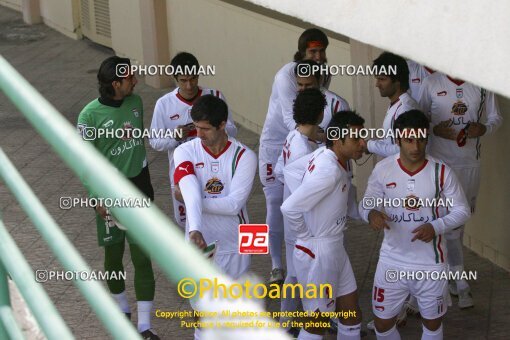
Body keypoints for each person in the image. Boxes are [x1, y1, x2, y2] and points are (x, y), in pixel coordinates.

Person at [359, 110, 470, 340]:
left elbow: (462, 210)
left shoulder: (441, 172)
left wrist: (436, 226)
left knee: (432, 326)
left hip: (431, 264)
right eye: (409, 140)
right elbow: (365, 203)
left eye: (421, 139)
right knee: (382, 324)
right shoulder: (383, 169)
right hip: (392, 260)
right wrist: (370, 214)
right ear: (398, 139)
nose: (416, 146)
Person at [77, 56, 159, 339]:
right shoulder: (88, 116)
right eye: (130, 78)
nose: (135, 81)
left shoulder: (135, 103)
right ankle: (122, 309)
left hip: (140, 192)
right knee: (113, 256)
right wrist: (95, 197)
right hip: (109, 195)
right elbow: (84, 161)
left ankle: (145, 327)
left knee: (142, 258)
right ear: (115, 84)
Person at [172, 95, 257, 340]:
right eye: (196, 127)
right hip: (199, 241)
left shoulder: (246, 156)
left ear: (222, 125)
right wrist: (194, 229)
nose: (198, 134)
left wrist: (194, 201)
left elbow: (233, 205)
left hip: (239, 240)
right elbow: (186, 187)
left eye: (205, 128)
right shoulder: (184, 150)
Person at [417, 73, 502, 308]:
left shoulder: (483, 84)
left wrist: (483, 129)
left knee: (458, 223)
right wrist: (434, 130)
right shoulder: (431, 83)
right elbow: (418, 119)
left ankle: (452, 277)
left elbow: (496, 118)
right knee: (448, 223)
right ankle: (458, 280)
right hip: (440, 165)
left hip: (469, 164)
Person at [259, 29, 335, 284]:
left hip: (306, 141)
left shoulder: (324, 74)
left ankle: (302, 261)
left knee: (303, 203)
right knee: (274, 205)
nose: (318, 56)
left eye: (321, 51)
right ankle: (276, 265)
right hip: (276, 145)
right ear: (301, 52)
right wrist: (325, 138)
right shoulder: (285, 76)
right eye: (313, 51)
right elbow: (293, 119)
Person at [281, 111, 365, 340]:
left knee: (351, 314)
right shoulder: (328, 171)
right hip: (319, 251)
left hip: (334, 247)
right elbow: (289, 208)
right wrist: (306, 235)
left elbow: (288, 170)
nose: (363, 143)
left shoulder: (324, 155)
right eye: (356, 138)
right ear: (338, 140)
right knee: (317, 322)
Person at [149, 52, 237, 229]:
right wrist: (174, 137)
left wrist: (213, 129)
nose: (189, 85)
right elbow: (154, 140)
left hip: (216, 169)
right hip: (183, 171)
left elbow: (232, 130)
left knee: (219, 216)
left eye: (193, 79)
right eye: (183, 80)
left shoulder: (215, 96)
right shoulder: (164, 104)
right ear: (175, 79)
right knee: (187, 223)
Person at [274, 88, 326, 335]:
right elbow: (307, 194)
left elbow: (277, 171)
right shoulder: (304, 150)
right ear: (320, 114)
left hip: (291, 221)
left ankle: (286, 323)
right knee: (304, 277)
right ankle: (305, 324)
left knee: (294, 275)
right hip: (302, 225)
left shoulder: (293, 137)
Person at [365, 52, 419, 158]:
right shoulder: (396, 104)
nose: (377, 84)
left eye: (382, 79)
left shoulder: (406, 109)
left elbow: (405, 150)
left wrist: (370, 145)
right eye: (377, 79)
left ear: (397, 81)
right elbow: (391, 142)